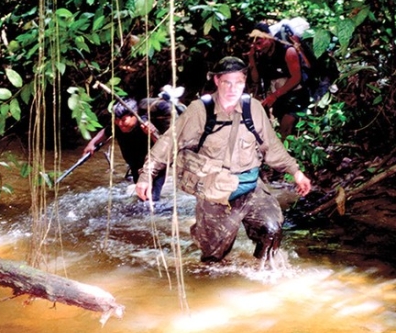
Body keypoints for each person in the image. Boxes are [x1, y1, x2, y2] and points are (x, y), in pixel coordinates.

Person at [135, 56, 312, 267]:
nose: (232, 88)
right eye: (227, 82)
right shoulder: (200, 110)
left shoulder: (253, 108)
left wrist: (296, 172)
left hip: (250, 186)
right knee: (213, 261)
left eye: (238, 82)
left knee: (272, 229)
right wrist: (146, 176)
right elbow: (168, 143)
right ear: (217, 81)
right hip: (215, 193)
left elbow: (271, 147)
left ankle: (261, 276)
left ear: (244, 82)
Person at [84, 97, 175, 201]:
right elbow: (105, 132)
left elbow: (164, 148)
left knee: (151, 197)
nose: (120, 124)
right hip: (135, 166)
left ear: (134, 116)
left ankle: (161, 214)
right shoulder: (117, 126)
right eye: (117, 120)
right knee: (142, 196)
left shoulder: (145, 124)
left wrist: (151, 134)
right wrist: (92, 143)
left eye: (123, 120)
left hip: (153, 167)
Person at [247, 22, 312, 137]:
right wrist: (252, 58)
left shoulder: (287, 51)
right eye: (255, 45)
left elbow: (296, 78)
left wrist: (274, 96)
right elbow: (256, 79)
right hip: (279, 97)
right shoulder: (261, 55)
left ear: (270, 38)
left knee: (285, 128)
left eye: (260, 43)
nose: (258, 47)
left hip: (297, 95)